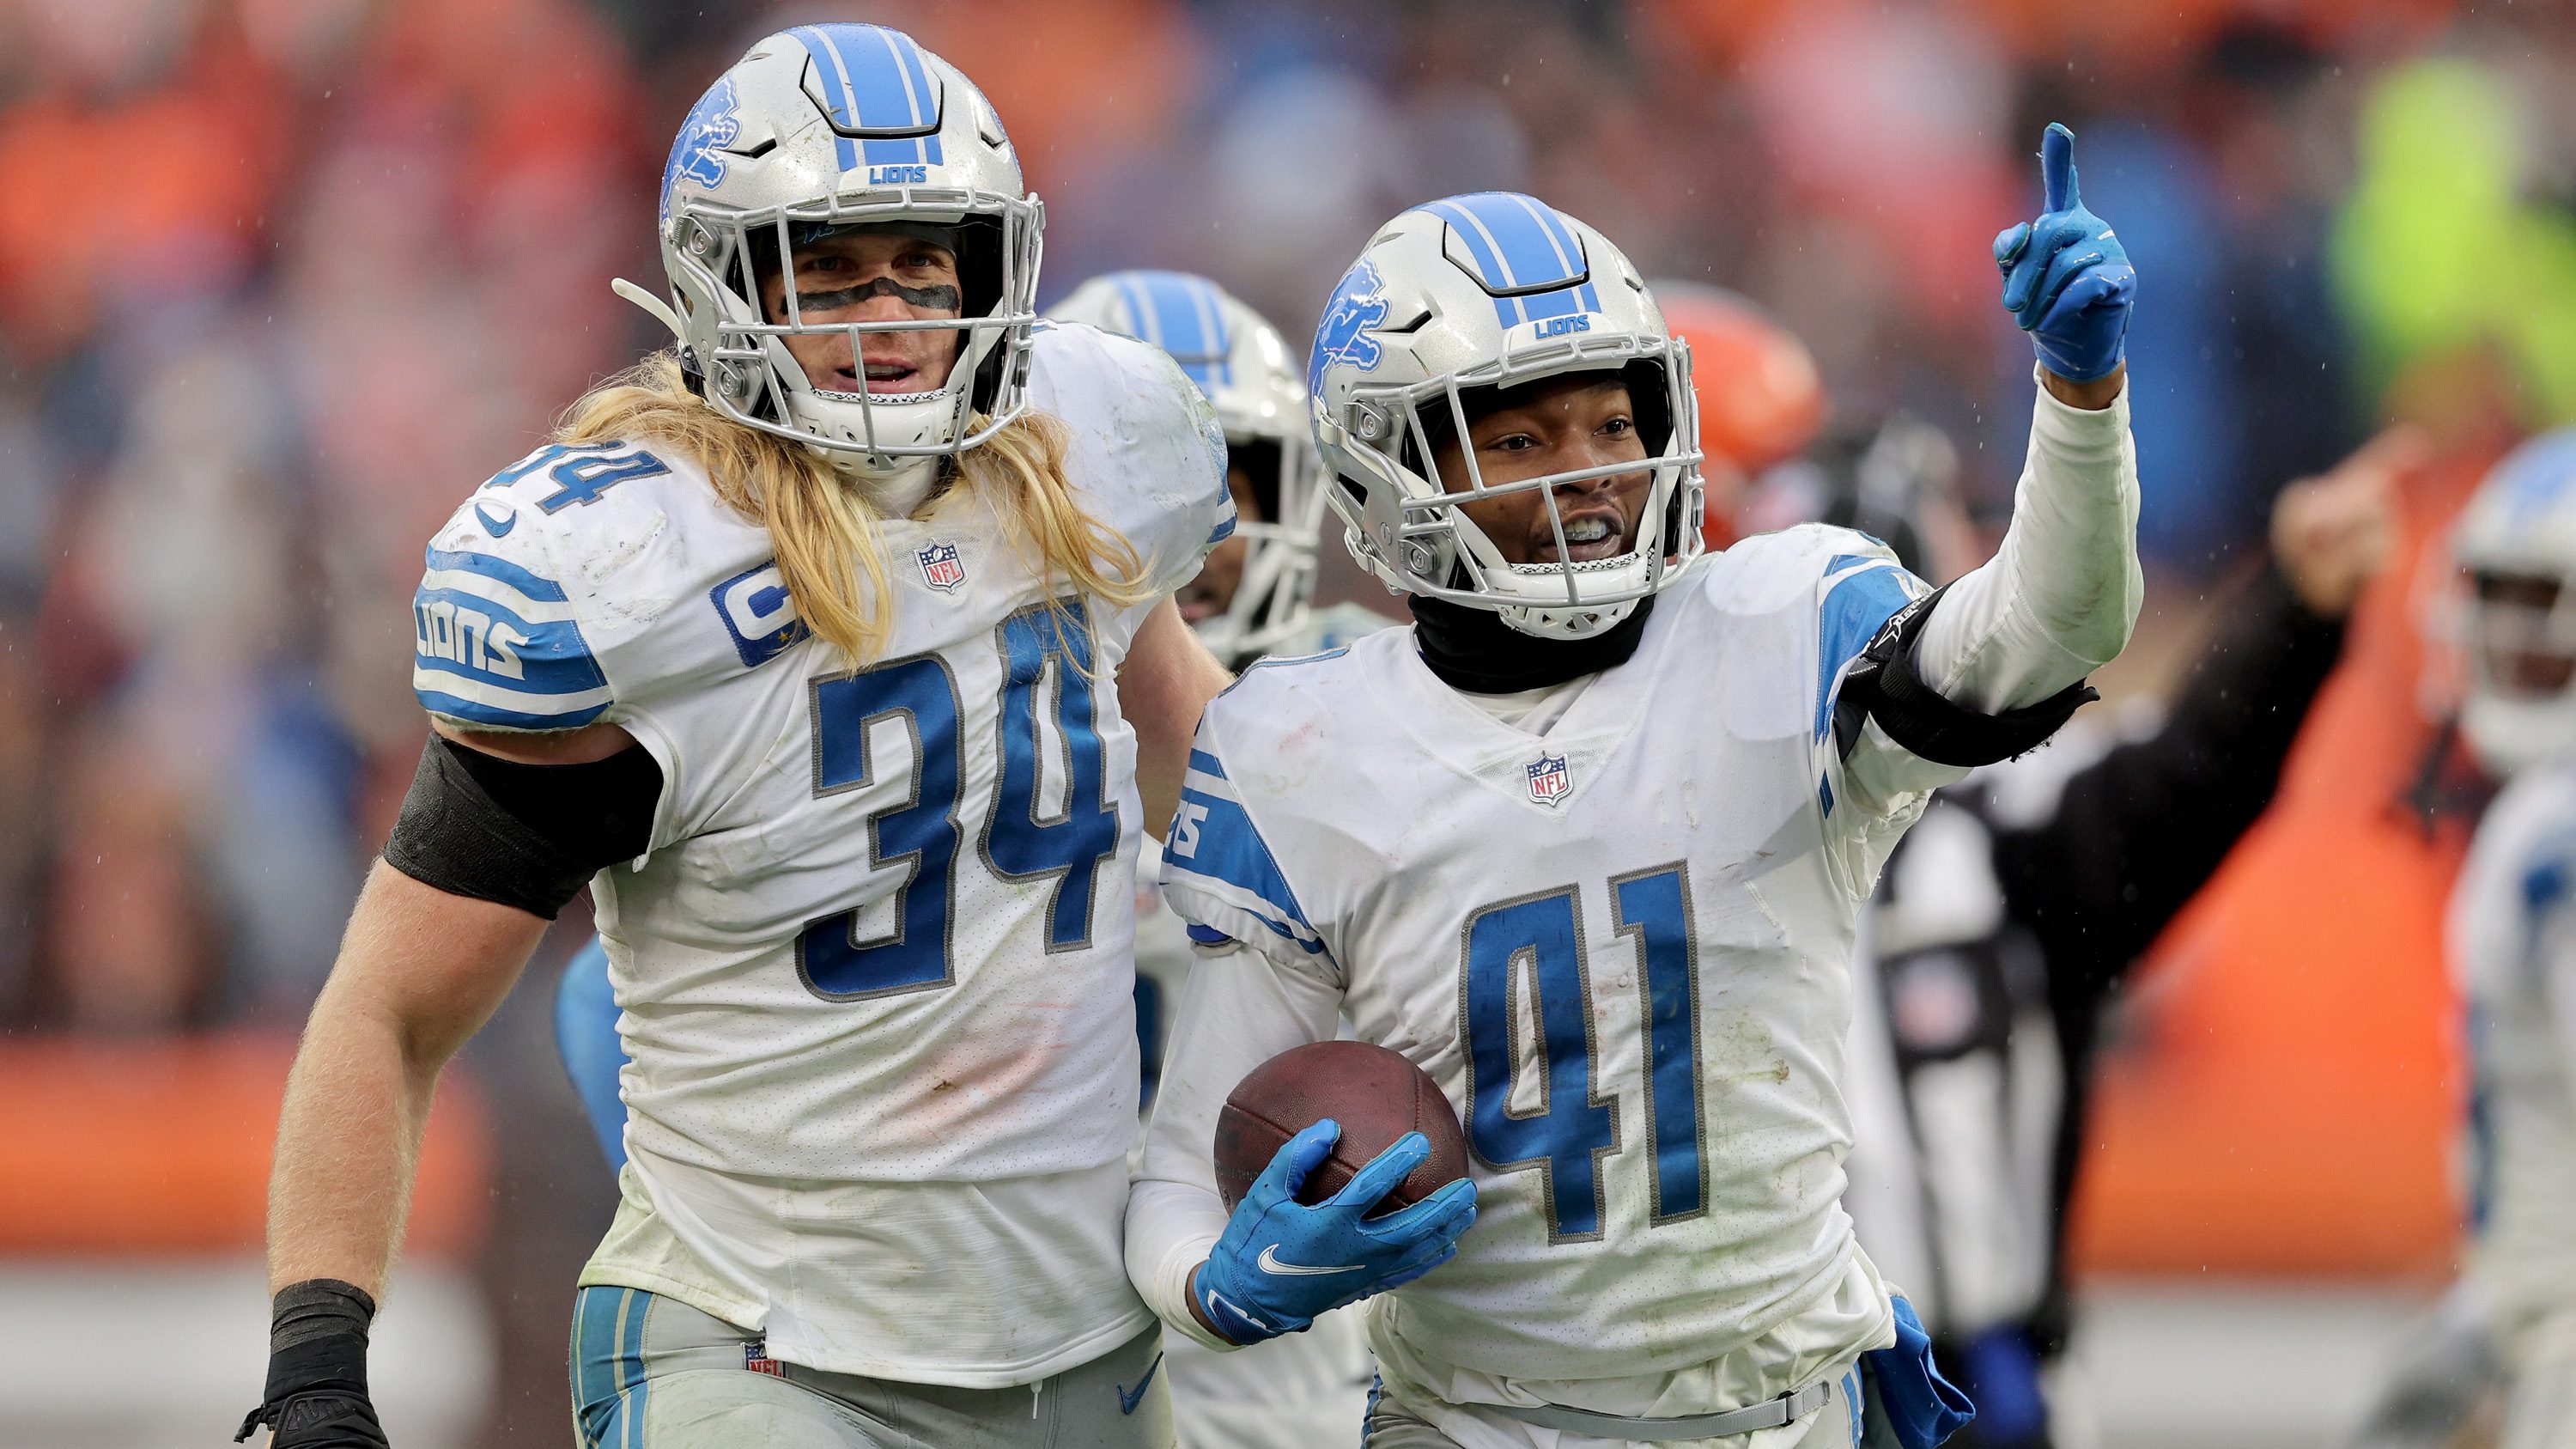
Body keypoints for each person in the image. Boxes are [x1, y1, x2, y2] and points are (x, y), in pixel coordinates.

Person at [241, 26, 1234, 1449]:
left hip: (1080, 1360)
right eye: (825, 273)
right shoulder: (635, 576)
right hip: (765, 1356)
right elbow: (390, 1009)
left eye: (921, 265)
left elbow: (1214, 782)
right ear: (723, 287)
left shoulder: (1087, 461)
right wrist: (317, 1362)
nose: (883, 317)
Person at [1127, 126, 2140, 1449]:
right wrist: (1216, 1288)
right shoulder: (1302, 747)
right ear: (1394, 467)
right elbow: (1181, 1164)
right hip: (1476, 1423)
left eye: (1614, 418)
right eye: (1523, 434)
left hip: (1787, 1410)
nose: (1592, 464)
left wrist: (2080, 399)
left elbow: (2049, 627)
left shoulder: (1782, 615)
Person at [1826, 418, 2405, 1448]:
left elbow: (2185, 780)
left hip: (1987, 1391)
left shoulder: (1999, 837)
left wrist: (2290, 617)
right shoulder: (1675, 852)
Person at [2346, 427, 2576, 1449]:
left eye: (2545, 605)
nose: (2508, 638)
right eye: (2500, 597)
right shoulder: (2538, 812)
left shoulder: (2552, 837)